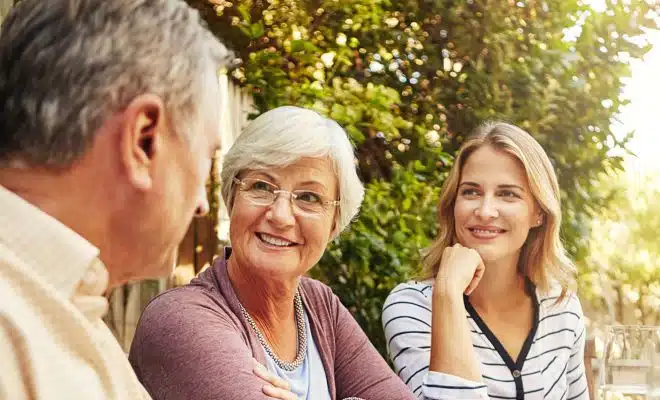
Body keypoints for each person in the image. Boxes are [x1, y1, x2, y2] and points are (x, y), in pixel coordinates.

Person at [0, 0, 231, 397]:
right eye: (204, 159)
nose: (202, 205)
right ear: (143, 139)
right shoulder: (16, 336)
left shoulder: (68, 306)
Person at [129, 106, 416, 400]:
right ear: (232, 199)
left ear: (334, 225)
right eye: (262, 187)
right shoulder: (180, 320)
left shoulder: (320, 306)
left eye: (308, 197)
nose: (280, 216)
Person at [382, 122, 590, 399]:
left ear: (538, 212)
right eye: (471, 192)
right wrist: (447, 294)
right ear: (452, 205)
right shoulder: (411, 307)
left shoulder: (562, 307)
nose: (485, 210)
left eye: (507, 194)